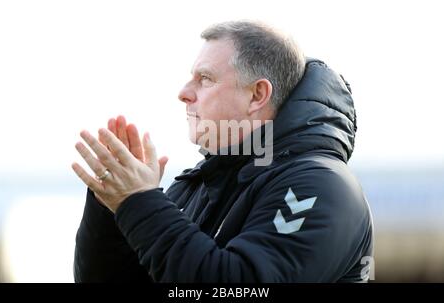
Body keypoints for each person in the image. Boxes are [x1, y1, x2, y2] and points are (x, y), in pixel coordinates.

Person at [72, 21, 373, 282]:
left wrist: (139, 202)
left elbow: (239, 285)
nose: (183, 93)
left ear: (257, 94)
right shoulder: (201, 183)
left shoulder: (321, 185)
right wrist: (114, 204)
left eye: (205, 79)